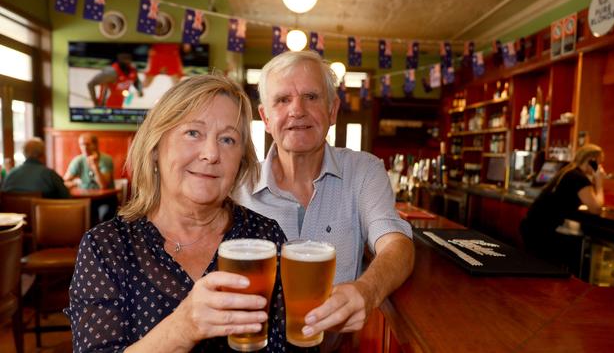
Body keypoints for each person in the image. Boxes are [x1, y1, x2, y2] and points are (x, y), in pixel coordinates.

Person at [65, 74, 290, 352]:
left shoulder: (265, 239)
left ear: (241, 161)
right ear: (156, 146)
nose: (211, 154)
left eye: (228, 140)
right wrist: (184, 327)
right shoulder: (106, 247)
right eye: (193, 133)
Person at [233, 50, 415, 348]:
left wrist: (367, 290)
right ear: (265, 117)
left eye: (311, 97)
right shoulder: (235, 183)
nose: (297, 110)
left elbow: (397, 244)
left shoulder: (364, 170)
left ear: (332, 110)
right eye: (282, 100)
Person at [520, 144, 605, 272]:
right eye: (600, 163)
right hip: (542, 232)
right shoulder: (579, 178)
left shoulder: (568, 171)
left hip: (533, 227)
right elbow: (596, 209)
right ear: (592, 161)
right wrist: (599, 183)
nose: (601, 167)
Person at [1, 138, 69, 198]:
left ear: (24, 154)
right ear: (43, 154)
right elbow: (66, 197)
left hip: (13, 212)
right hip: (44, 212)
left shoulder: (10, 174)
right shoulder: (49, 175)